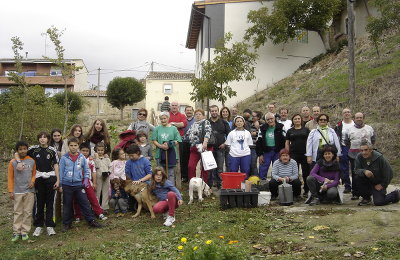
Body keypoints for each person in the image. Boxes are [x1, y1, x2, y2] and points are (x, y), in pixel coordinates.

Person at [16, 132, 60, 237]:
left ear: (48, 139)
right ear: (38, 139)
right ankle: (38, 225)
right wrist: (18, 162)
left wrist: (58, 180)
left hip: (51, 177)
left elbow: (56, 164)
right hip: (38, 178)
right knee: (39, 202)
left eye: (45, 137)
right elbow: (18, 153)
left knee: (50, 202)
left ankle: (50, 225)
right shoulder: (33, 149)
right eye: (40, 137)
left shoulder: (52, 150)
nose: (42, 139)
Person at [59, 137, 102, 232]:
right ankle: (67, 224)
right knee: (67, 204)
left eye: (75, 145)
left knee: (85, 203)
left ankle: (91, 220)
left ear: (78, 146)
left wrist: (86, 179)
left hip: (79, 184)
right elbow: (61, 172)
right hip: (67, 184)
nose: (73, 147)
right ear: (68, 146)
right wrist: (61, 185)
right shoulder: (64, 158)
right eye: (71, 145)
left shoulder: (81, 157)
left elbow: (86, 170)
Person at [354, 140, 399, 206]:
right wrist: (364, 171)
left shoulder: (379, 158)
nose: (363, 152)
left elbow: (389, 173)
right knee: (357, 178)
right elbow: (356, 170)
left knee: (379, 202)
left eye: (366, 150)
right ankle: (366, 198)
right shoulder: (359, 157)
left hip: (378, 183)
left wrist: (383, 184)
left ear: (371, 150)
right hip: (367, 182)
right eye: (362, 150)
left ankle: (396, 194)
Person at [343, 112, 375, 200]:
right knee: (355, 173)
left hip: (367, 155)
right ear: (354, 118)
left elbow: (373, 140)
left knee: (369, 172)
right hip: (354, 155)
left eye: (361, 117)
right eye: (357, 118)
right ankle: (355, 193)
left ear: (363, 118)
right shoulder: (349, 129)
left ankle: (370, 192)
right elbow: (346, 142)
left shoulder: (369, 128)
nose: (359, 119)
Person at [8, 141, 36, 242]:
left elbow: (34, 173)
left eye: (24, 149)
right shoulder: (13, 162)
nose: (23, 151)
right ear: (17, 151)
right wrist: (11, 190)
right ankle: (16, 232)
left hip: (29, 191)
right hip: (17, 191)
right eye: (20, 149)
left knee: (28, 212)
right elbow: (10, 178)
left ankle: (25, 232)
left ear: (27, 149)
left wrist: (33, 181)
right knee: (18, 212)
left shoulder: (32, 161)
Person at [73, 143, 107, 221]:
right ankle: (77, 215)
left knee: (92, 197)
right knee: (76, 198)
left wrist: (94, 183)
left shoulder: (90, 161)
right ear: (79, 150)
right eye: (83, 151)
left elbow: (94, 172)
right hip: (76, 181)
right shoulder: (75, 159)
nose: (85, 152)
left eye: (87, 151)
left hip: (87, 181)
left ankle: (99, 213)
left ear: (89, 151)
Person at [152, 112, 182, 183]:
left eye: (164, 118)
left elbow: (178, 139)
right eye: (161, 119)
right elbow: (154, 140)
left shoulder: (173, 128)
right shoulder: (157, 128)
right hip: (160, 153)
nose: (163, 120)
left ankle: (170, 189)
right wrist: (161, 146)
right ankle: (161, 188)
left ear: (168, 118)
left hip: (171, 154)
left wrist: (170, 144)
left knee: (170, 173)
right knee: (160, 172)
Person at [285, 114, 311, 197]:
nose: (297, 120)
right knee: (294, 173)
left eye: (298, 119)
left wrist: (309, 154)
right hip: (294, 154)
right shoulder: (290, 131)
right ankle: (296, 191)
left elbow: (309, 142)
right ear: (293, 120)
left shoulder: (306, 130)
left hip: (305, 154)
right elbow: (287, 143)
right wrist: (287, 154)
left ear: (301, 120)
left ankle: (306, 191)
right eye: (295, 119)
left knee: (306, 173)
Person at [185, 109, 213, 183]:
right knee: (191, 166)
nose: (197, 115)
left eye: (199, 114)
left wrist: (205, 142)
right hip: (194, 148)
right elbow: (186, 135)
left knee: (204, 168)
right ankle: (193, 183)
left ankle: (204, 185)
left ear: (203, 116)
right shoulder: (193, 124)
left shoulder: (206, 122)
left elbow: (208, 131)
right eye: (196, 114)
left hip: (205, 148)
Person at [256, 112, 286, 180]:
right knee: (263, 167)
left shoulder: (281, 126)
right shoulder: (262, 128)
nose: (270, 120)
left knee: (278, 168)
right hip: (266, 151)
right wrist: (260, 154)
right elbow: (259, 141)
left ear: (274, 118)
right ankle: (262, 183)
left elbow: (285, 139)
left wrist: (284, 151)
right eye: (268, 119)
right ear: (265, 120)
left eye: (271, 118)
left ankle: (276, 183)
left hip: (278, 151)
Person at [208, 105, 231, 188]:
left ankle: (219, 184)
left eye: (215, 111)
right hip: (209, 149)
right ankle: (209, 185)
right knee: (210, 168)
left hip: (220, 148)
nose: (214, 112)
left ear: (218, 111)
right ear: (210, 112)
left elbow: (230, 135)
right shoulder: (207, 122)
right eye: (212, 111)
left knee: (220, 168)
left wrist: (225, 144)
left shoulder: (224, 122)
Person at [334, 108, 354, 194]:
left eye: (348, 112)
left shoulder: (355, 123)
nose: (347, 114)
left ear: (351, 114)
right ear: (342, 114)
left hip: (355, 148)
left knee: (355, 168)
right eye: (345, 112)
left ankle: (356, 186)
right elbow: (335, 138)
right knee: (344, 168)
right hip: (343, 148)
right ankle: (347, 186)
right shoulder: (339, 125)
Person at [94, 142, 111, 211]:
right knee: (97, 192)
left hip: (106, 176)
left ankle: (105, 207)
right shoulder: (95, 159)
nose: (100, 152)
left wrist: (108, 172)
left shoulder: (107, 159)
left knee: (105, 192)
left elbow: (110, 167)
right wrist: (97, 157)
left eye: (102, 150)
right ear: (96, 150)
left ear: (104, 150)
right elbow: (97, 166)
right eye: (98, 150)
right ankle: (97, 207)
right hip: (98, 177)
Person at [181, 106, 195, 183]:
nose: (189, 111)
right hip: (184, 142)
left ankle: (192, 177)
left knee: (192, 161)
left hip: (193, 143)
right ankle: (184, 176)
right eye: (187, 110)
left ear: (193, 111)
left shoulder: (195, 120)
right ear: (185, 111)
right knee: (184, 160)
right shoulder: (182, 120)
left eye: (190, 110)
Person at [250, 110, 262, 176]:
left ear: (258, 117)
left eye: (254, 116)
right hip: (250, 146)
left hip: (256, 147)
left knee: (253, 164)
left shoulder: (261, 124)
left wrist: (256, 132)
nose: (252, 117)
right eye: (252, 116)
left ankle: (256, 179)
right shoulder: (251, 124)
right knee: (250, 164)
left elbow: (263, 133)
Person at [220, 106, 232, 171]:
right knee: (220, 163)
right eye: (223, 112)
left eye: (226, 112)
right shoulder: (219, 122)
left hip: (229, 145)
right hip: (221, 144)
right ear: (221, 113)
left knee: (228, 163)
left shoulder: (232, 122)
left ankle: (228, 177)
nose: (225, 113)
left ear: (228, 113)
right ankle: (220, 179)